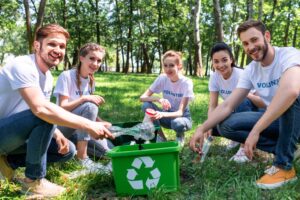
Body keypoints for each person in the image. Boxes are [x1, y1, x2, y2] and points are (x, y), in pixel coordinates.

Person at [0, 24, 113, 197]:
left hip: (15, 135)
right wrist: (88, 124)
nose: (58, 50)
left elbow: (39, 110)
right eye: (52, 44)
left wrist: (56, 134)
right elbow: (40, 109)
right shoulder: (22, 65)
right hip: (4, 131)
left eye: (62, 46)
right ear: (37, 45)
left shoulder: (47, 77)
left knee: (68, 150)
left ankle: (7, 163)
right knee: (44, 115)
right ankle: (34, 180)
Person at [190, 19, 300, 189]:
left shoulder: (288, 55)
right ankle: (288, 150)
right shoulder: (251, 70)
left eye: (254, 40)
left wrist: (256, 130)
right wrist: (202, 128)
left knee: (291, 96)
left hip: (296, 118)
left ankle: (284, 167)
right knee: (226, 125)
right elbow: (227, 105)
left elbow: (291, 91)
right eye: (245, 43)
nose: (250, 47)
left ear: (267, 36)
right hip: (278, 121)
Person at [53, 43, 114, 171]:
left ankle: (77, 147)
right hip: (63, 126)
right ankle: (82, 158)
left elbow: (88, 112)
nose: (95, 64)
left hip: (81, 130)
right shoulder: (66, 76)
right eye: (91, 58)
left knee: (108, 153)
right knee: (90, 105)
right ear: (81, 58)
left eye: (99, 60)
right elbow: (61, 108)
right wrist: (84, 98)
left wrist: (100, 122)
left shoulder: (91, 80)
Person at [207, 42, 265, 162]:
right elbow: (213, 105)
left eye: (224, 60)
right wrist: (208, 126)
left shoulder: (241, 74)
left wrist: (245, 94)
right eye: (216, 61)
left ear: (231, 60)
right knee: (215, 125)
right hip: (233, 110)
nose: (220, 65)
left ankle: (244, 147)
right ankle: (236, 137)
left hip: (254, 113)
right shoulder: (214, 77)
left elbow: (261, 103)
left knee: (241, 100)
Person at [140, 50, 194, 147]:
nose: (168, 69)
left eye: (171, 65)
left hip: (182, 119)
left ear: (179, 66)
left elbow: (180, 112)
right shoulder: (162, 78)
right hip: (166, 116)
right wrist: (158, 99)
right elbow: (142, 98)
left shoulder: (186, 83)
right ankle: (161, 137)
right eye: (165, 65)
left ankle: (180, 135)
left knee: (177, 123)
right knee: (146, 105)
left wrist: (161, 113)